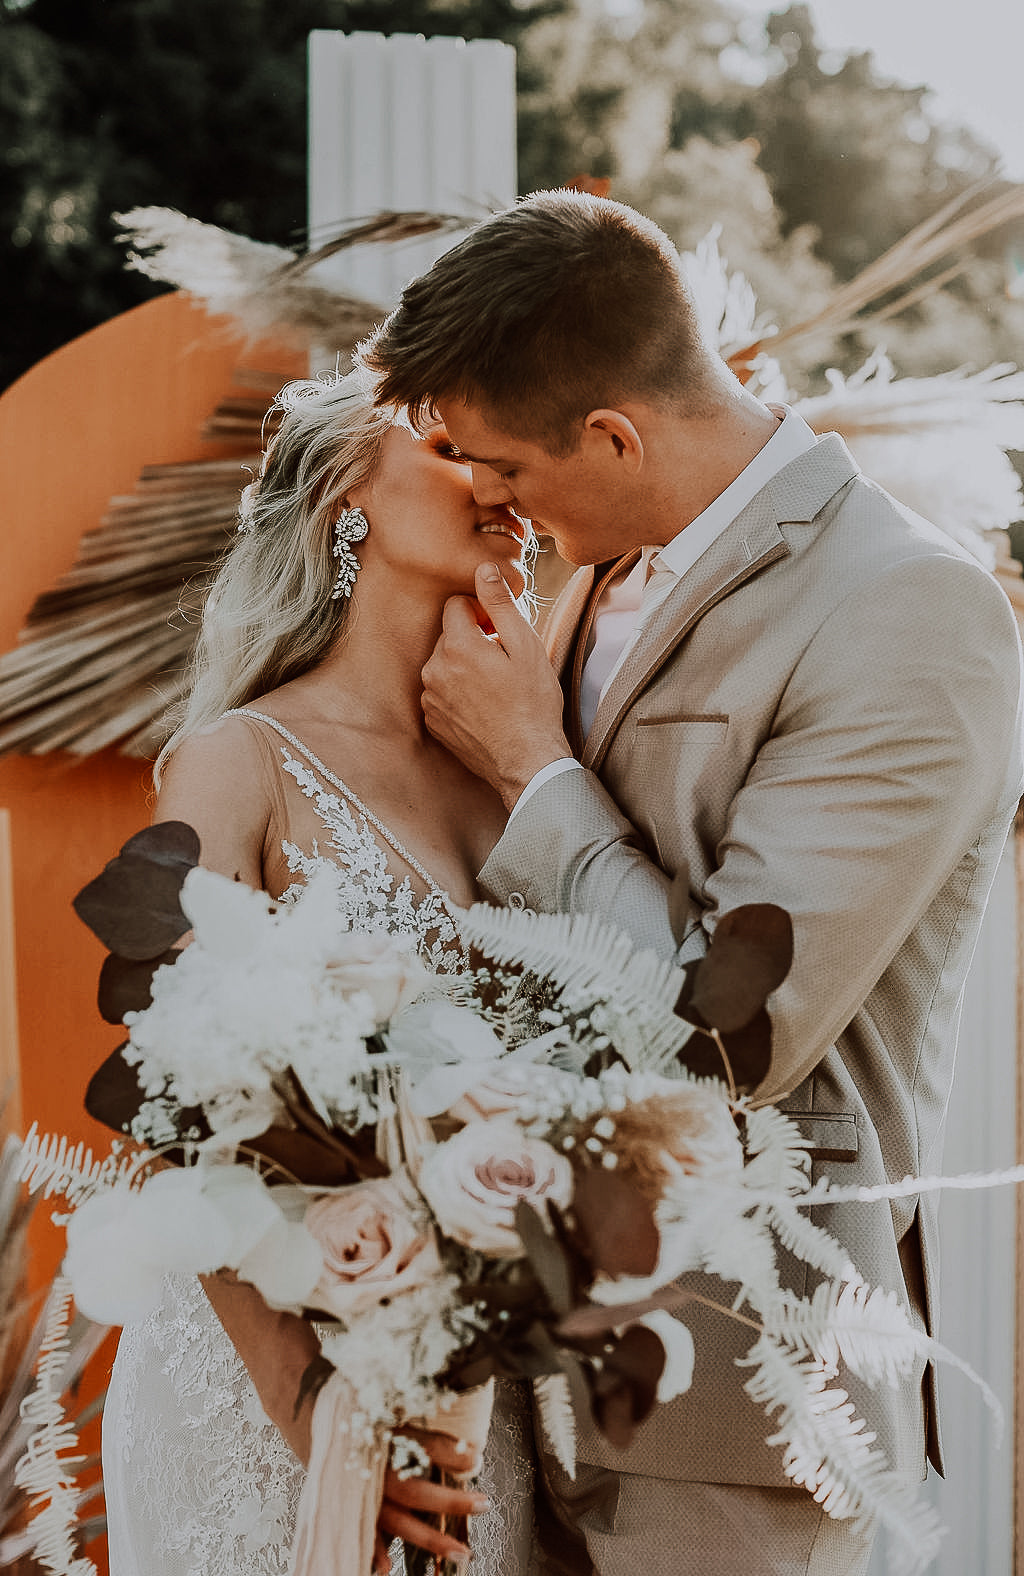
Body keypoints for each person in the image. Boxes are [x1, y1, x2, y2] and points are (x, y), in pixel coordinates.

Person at [362, 188, 1024, 1576]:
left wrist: (534, 769)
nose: (492, 500)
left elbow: (730, 1029)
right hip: (518, 1382)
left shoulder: (906, 612)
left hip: (738, 1396)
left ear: (613, 435)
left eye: (501, 466)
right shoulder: (584, 567)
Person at [100, 369, 539, 1576]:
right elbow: (174, 1111)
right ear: (347, 490)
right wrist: (308, 1410)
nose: (504, 480)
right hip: (261, 1382)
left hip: (465, 1382)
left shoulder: (523, 776)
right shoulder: (231, 759)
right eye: (457, 446)